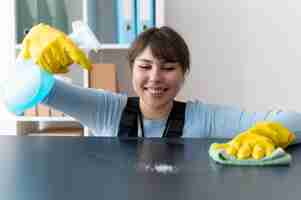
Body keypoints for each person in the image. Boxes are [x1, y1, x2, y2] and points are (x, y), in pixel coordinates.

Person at [7, 24, 301, 160]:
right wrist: (29, 56)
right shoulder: (105, 108)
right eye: (145, 66)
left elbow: (296, 120)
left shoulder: (205, 118)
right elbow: (15, 98)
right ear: (132, 68)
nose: (155, 78)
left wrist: (267, 133)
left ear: (183, 73)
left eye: (168, 67)